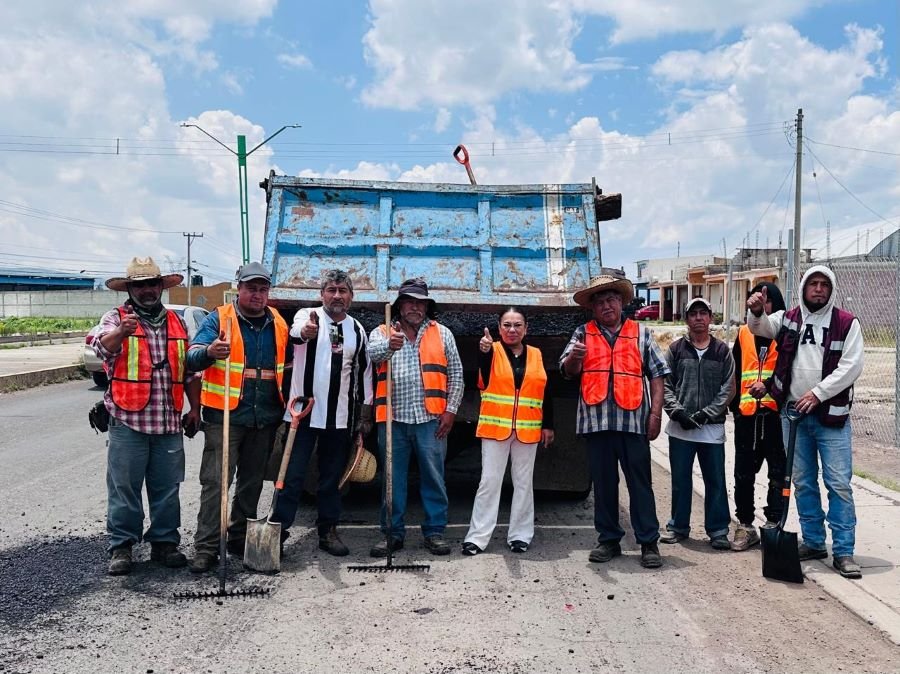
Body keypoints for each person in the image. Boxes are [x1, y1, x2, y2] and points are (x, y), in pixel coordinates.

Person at [747, 265, 864, 579]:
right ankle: (813, 541)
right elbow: (760, 328)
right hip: (793, 416)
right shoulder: (789, 318)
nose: (818, 289)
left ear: (831, 289)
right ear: (803, 288)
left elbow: (851, 367)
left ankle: (844, 551)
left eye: (824, 285)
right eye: (812, 284)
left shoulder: (846, 323)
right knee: (803, 481)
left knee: (838, 484)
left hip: (830, 418)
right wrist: (756, 312)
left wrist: (818, 393)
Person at [93, 257, 201, 576]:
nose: (148, 290)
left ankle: (165, 543)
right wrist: (121, 334)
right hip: (127, 420)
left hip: (167, 420)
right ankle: (122, 547)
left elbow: (191, 372)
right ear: (129, 289)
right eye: (140, 285)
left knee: (167, 486)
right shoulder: (115, 317)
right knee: (124, 487)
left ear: (160, 287)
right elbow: (100, 349)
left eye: (152, 284)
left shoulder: (177, 322)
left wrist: (194, 409)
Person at [187, 262, 291, 573]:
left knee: (252, 483)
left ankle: (239, 536)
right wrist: (209, 352)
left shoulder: (279, 324)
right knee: (216, 483)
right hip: (225, 417)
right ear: (239, 288)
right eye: (251, 288)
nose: (257, 294)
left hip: (265, 417)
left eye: (263, 289)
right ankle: (206, 547)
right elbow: (191, 357)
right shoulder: (219, 318)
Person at [560, 275, 669, 569]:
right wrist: (575, 358)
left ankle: (648, 542)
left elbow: (658, 375)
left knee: (640, 484)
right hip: (596, 424)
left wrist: (656, 415)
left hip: (633, 422)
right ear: (592, 308)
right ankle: (609, 540)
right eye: (600, 301)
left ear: (621, 302)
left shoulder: (641, 334)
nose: (606, 305)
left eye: (611, 300)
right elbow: (567, 371)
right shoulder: (581, 334)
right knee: (605, 485)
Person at [270, 270, 373, 556]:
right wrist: (306, 333)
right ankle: (277, 532)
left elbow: (364, 373)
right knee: (292, 476)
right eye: (331, 290)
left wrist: (365, 413)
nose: (337, 295)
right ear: (322, 294)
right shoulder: (307, 315)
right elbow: (296, 334)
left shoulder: (357, 329)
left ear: (351, 296)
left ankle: (328, 530)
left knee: (332, 478)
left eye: (342, 290)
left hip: (339, 417)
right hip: (302, 415)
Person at [366, 278, 464, 557]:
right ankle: (391, 534)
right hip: (392, 420)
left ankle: (434, 532)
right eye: (410, 301)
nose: (415, 307)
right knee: (392, 480)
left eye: (420, 302)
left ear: (426, 307)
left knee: (434, 477)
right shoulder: (382, 331)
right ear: (399, 305)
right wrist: (390, 345)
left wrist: (451, 411)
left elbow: (456, 374)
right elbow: (372, 356)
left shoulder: (442, 333)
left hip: (431, 420)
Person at [462, 308, 555, 555]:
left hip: (528, 430)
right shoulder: (490, 350)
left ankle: (520, 536)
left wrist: (548, 425)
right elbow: (481, 377)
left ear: (526, 328)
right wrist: (483, 351)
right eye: (506, 325)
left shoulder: (536, 354)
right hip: (496, 429)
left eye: (517, 325)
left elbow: (545, 390)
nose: (512, 330)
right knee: (489, 482)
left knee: (524, 483)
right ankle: (477, 537)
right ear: (499, 328)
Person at [660, 297, 735, 550]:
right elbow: (665, 384)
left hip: (711, 429)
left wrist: (706, 413)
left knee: (715, 481)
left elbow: (729, 389)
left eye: (704, 313)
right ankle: (678, 526)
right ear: (686, 319)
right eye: (694, 314)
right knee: (681, 481)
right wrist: (677, 412)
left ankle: (718, 530)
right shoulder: (675, 350)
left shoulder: (722, 351)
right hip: (680, 429)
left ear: (711, 318)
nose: (699, 318)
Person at [728, 282, 787, 551]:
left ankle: (774, 523)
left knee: (778, 473)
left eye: (767, 301)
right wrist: (735, 409)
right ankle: (745, 524)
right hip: (748, 417)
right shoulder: (742, 334)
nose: (762, 306)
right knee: (744, 473)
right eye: (757, 300)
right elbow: (734, 372)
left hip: (776, 416)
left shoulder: (786, 333)